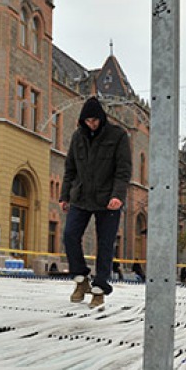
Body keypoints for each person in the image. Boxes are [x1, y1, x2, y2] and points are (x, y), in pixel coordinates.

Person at [60, 97, 132, 309]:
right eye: (88, 121)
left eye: (95, 120)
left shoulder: (118, 136)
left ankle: (99, 288)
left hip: (108, 199)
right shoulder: (77, 137)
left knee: (105, 243)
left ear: (101, 119)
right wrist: (65, 196)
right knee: (70, 235)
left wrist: (118, 195)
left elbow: (123, 169)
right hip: (81, 196)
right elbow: (70, 169)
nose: (91, 124)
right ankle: (81, 280)